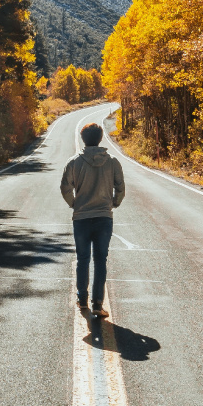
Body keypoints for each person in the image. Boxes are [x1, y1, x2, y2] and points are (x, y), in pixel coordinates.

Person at [61, 121, 125, 316]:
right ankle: (97, 304)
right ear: (100, 138)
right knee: (100, 260)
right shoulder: (112, 161)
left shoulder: (73, 162)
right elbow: (120, 187)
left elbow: (65, 187)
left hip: (81, 218)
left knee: (82, 259)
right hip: (104, 217)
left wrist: (74, 204)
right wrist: (114, 203)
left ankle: (82, 300)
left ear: (83, 139)